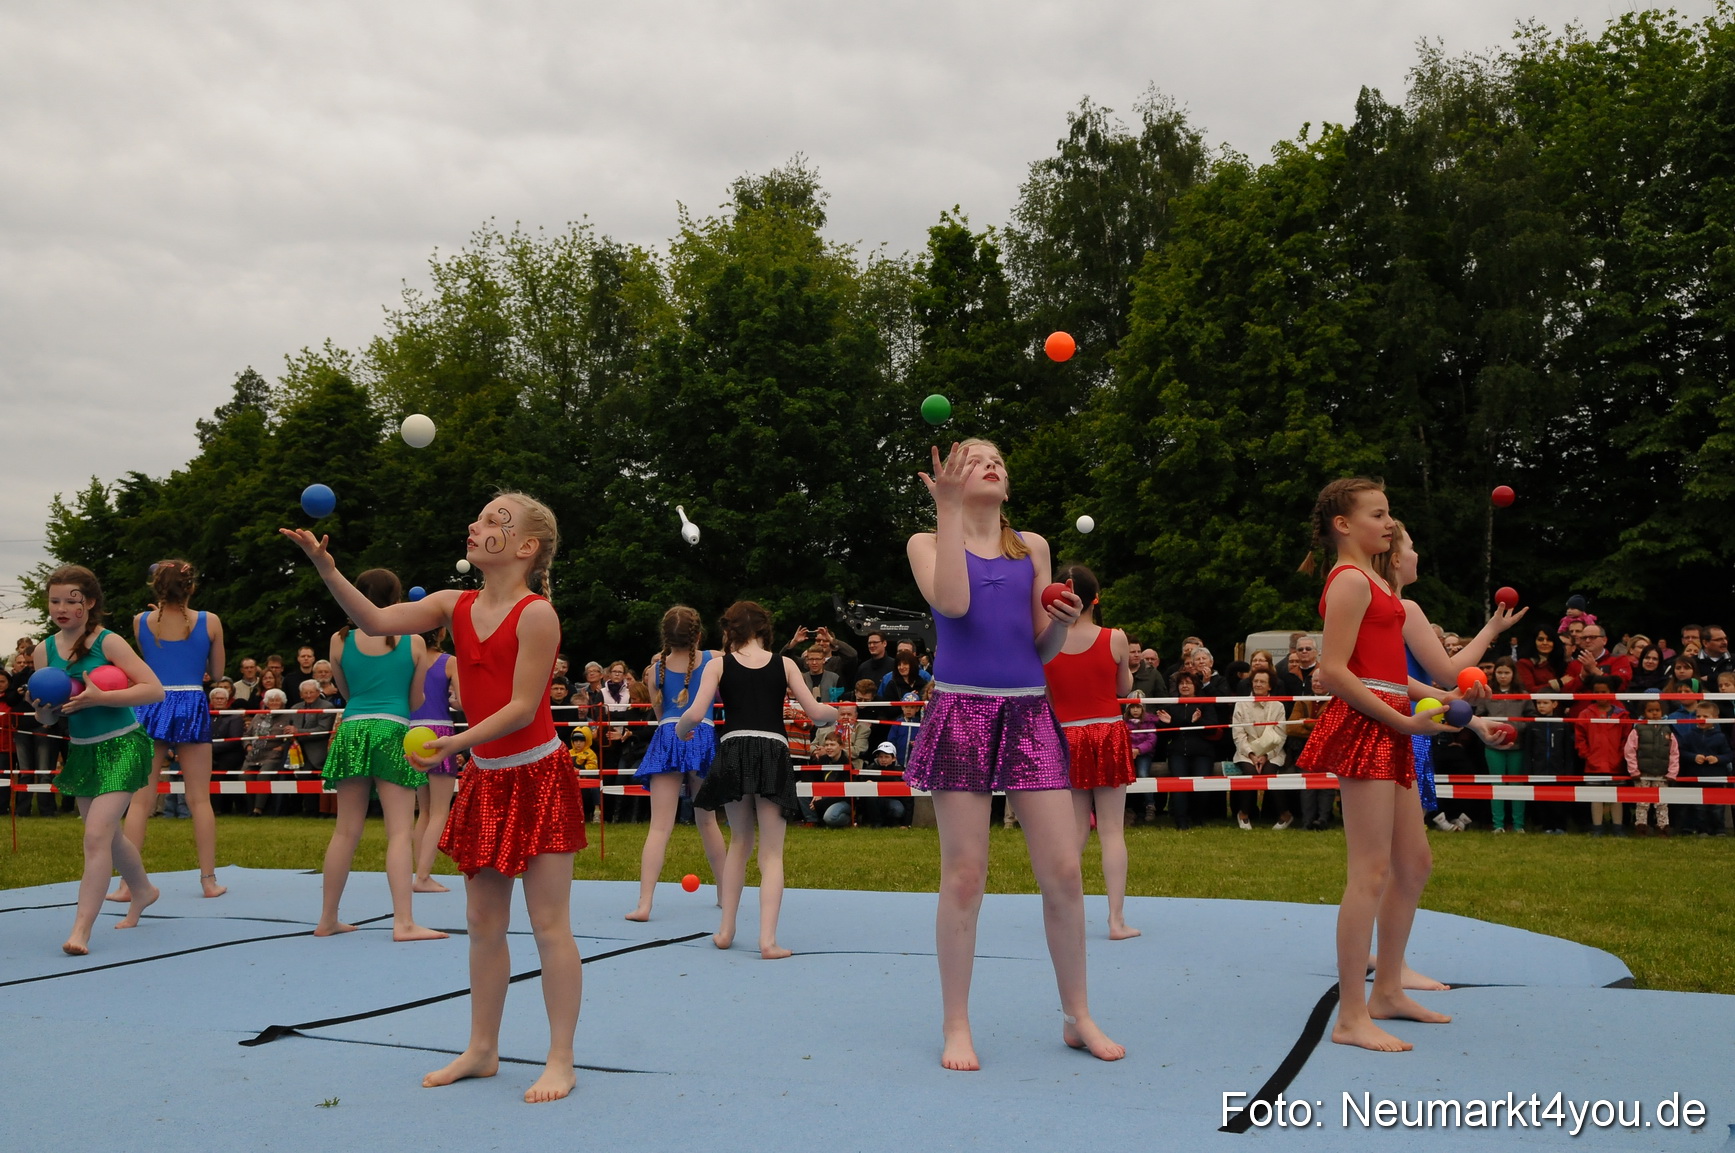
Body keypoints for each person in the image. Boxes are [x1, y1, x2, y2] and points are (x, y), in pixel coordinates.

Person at [283, 491, 587, 1104]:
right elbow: (373, 621)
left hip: (538, 776)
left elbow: (523, 707)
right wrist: (326, 567)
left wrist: (453, 747)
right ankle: (482, 1048)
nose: (475, 525)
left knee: (550, 924)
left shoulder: (536, 615)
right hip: (486, 776)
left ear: (526, 547)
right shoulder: (453, 603)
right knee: (482, 921)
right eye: (478, 516)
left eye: (494, 521)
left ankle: (561, 1059)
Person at [902, 438, 1123, 1070]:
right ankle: (956, 1024)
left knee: (1064, 871)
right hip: (963, 710)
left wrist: (1062, 618)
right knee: (966, 876)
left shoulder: (1033, 547)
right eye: (972, 458)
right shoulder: (926, 541)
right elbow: (953, 603)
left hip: (1028, 710)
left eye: (997, 457)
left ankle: (1078, 1016)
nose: (990, 463)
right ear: (950, 476)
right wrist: (948, 513)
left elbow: (1043, 649)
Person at [1294, 479, 1452, 1052]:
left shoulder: (1374, 583)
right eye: (1378, 514)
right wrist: (1404, 721)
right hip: (1369, 725)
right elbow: (1333, 671)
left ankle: (1387, 990)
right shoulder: (1350, 582)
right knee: (1370, 871)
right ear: (1344, 524)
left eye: (1390, 513)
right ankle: (1351, 1016)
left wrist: (1418, 708)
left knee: (1413, 863)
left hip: (1389, 719)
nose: (1389, 524)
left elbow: (1386, 668)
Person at [676, 601, 836, 958]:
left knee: (739, 843)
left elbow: (694, 713)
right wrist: (833, 715)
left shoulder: (717, 665)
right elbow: (815, 712)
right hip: (773, 752)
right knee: (772, 855)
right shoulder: (786, 664)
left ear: (729, 630)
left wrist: (683, 732)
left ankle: (726, 930)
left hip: (733, 750)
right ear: (765, 630)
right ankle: (767, 940)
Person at [29, 565, 165, 954]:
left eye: (71, 600)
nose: (62, 607)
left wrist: (101, 697)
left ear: (89, 603)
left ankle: (81, 931)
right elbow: (51, 716)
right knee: (108, 834)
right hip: (83, 749)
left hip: (123, 744)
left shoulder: (109, 642)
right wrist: (43, 711)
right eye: (54, 600)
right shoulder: (44, 651)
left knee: (95, 835)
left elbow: (154, 690)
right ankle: (143, 889)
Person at [315, 569, 443, 940]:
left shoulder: (339, 641)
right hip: (393, 728)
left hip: (353, 728)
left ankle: (327, 918)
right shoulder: (414, 642)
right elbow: (416, 700)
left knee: (345, 831)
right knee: (399, 832)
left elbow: (345, 690)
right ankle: (403, 921)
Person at [111, 560, 228, 901]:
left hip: (152, 702)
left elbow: (147, 658)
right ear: (191, 587)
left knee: (141, 799)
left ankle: (125, 885)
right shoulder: (210, 621)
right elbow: (217, 672)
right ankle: (208, 881)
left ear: (156, 587)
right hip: (191, 701)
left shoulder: (140, 622)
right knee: (199, 799)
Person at [1042, 564, 1139, 939]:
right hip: (1108, 731)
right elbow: (1124, 689)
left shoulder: (1046, 643)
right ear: (1094, 598)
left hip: (1067, 735)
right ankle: (1116, 920)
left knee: (1075, 831)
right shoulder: (1114, 638)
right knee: (1112, 830)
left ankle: (1066, 913)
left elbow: (1049, 698)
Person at [625, 605, 728, 922]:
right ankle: (726, 895)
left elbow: (660, 715)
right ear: (698, 634)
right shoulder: (714, 660)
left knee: (659, 827)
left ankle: (644, 903)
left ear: (664, 637)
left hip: (669, 734)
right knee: (707, 822)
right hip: (702, 734)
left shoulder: (655, 670)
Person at [411, 629, 461, 894]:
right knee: (440, 811)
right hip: (440, 731)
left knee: (425, 810)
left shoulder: (409, 660)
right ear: (441, 632)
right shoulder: (449, 661)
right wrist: (452, 700)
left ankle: (420, 872)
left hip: (411, 733)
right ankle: (423, 876)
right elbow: (463, 702)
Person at [1154, 670, 1215, 831]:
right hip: (1178, 752)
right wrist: (1169, 723)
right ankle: (1181, 822)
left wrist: (1197, 722)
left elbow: (1212, 729)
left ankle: (1198, 818)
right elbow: (1167, 734)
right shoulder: (1171, 705)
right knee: (1179, 786)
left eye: (1188, 683)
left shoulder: (1205, 704)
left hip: (1202, 753)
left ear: (1195, 686)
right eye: (1182, 683)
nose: (1185, 686)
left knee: (1202, 786)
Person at [1231, 669, 1287, 830]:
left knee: (1270, 774)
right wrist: (1252, 755)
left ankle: (1285, 814)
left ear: (1270, 686)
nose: (1258, 684)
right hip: (1246, 752)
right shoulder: (1241, 704)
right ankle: (1244, 814)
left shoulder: (1278, 706)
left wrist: (1266, 756)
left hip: (1272, 752)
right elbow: (1238, 734)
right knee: (1250, 774)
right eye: (1255, 681)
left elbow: (1281, 735)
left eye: (1262, 681)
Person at [1574, 675, 1631, 835]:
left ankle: (1618, 827)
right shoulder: (1585, 714)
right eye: (1597, 692)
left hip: (1616, 763)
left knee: (1616, 797)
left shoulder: (1622, 715)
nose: (1600, 695)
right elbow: (1580, 737)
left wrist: (1621, 756)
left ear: (1611, 693)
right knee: (1595, 797)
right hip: (1593, 764)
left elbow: (1627, 738)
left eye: (1604, 692)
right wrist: (1587, 755)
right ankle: (1597, 827)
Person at [1676, 700, 1732, 836]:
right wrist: (1693, 757)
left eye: (1705, 716)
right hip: (1695, 777)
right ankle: (1702, 829)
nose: (1701, 719)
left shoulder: (1721, 737)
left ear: (1716, 718)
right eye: (1698, 716)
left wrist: (1718, 759)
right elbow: (1681, 752)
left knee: (1717, 807)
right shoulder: (1689, 736)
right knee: (1698, 807)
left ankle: (1719, 829)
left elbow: (1729, 754)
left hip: (1716, 778)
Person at [1523, 697, 1574, 834]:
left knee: (1559, 800)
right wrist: (1528, 771)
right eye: (1538, 703)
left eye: (1545, 703)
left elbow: (1568, 751)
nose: (1541, 706)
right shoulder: (1532, 725)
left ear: (1555, 704)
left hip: (1558, 769)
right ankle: (1547, 826)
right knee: (1542, 800)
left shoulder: (1562, 724)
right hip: (1539, 769)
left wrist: (1568, 772)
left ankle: (1560, 826)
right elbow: (1528, 749)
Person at [1124, 696, 1160, 824]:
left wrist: (1138, 750)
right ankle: (1127, 808)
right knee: (1125, 777)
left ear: (1143, 709)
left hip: (1144, 753)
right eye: (1132, 707)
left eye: (1138, 707)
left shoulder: (1149, 722)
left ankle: (1150, 805)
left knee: (1143, 775)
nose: (1135, 710)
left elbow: (1151, 740)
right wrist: (1129, 750)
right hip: (1127, 753)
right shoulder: (1123, 723)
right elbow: (1121, 739)